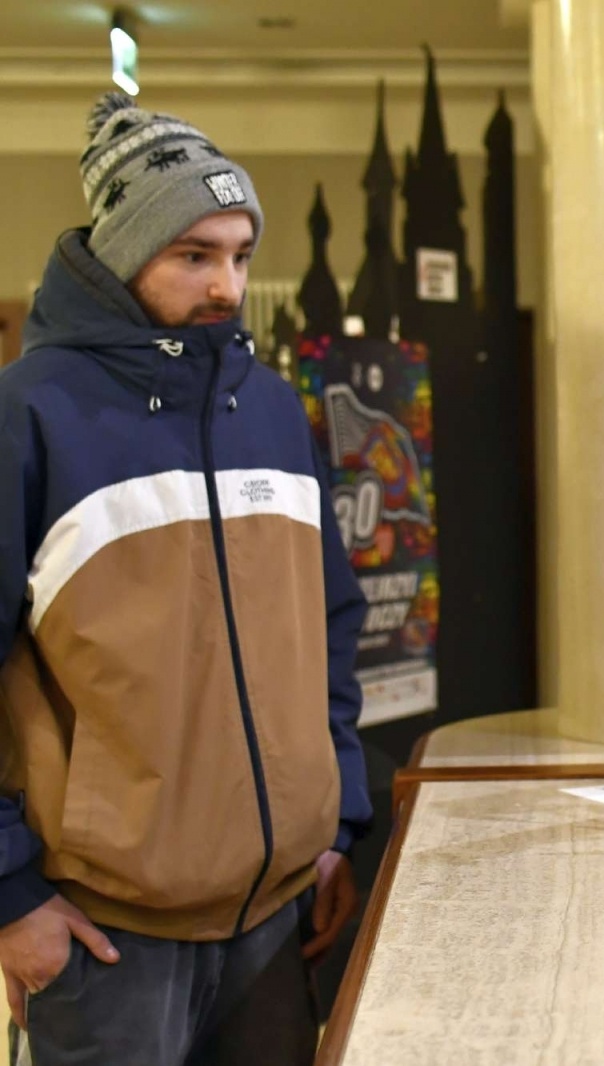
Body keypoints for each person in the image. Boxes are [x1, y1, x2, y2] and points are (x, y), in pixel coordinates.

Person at [0, 92, 372, 1064]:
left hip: (276, 913)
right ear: (122, 256)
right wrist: (10, 896)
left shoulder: (275, 409)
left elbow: (328, 627)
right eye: (194, 255)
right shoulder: (30, 415)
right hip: (106, 938)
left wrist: (336, 822)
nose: (227, 286)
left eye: (241, 255)